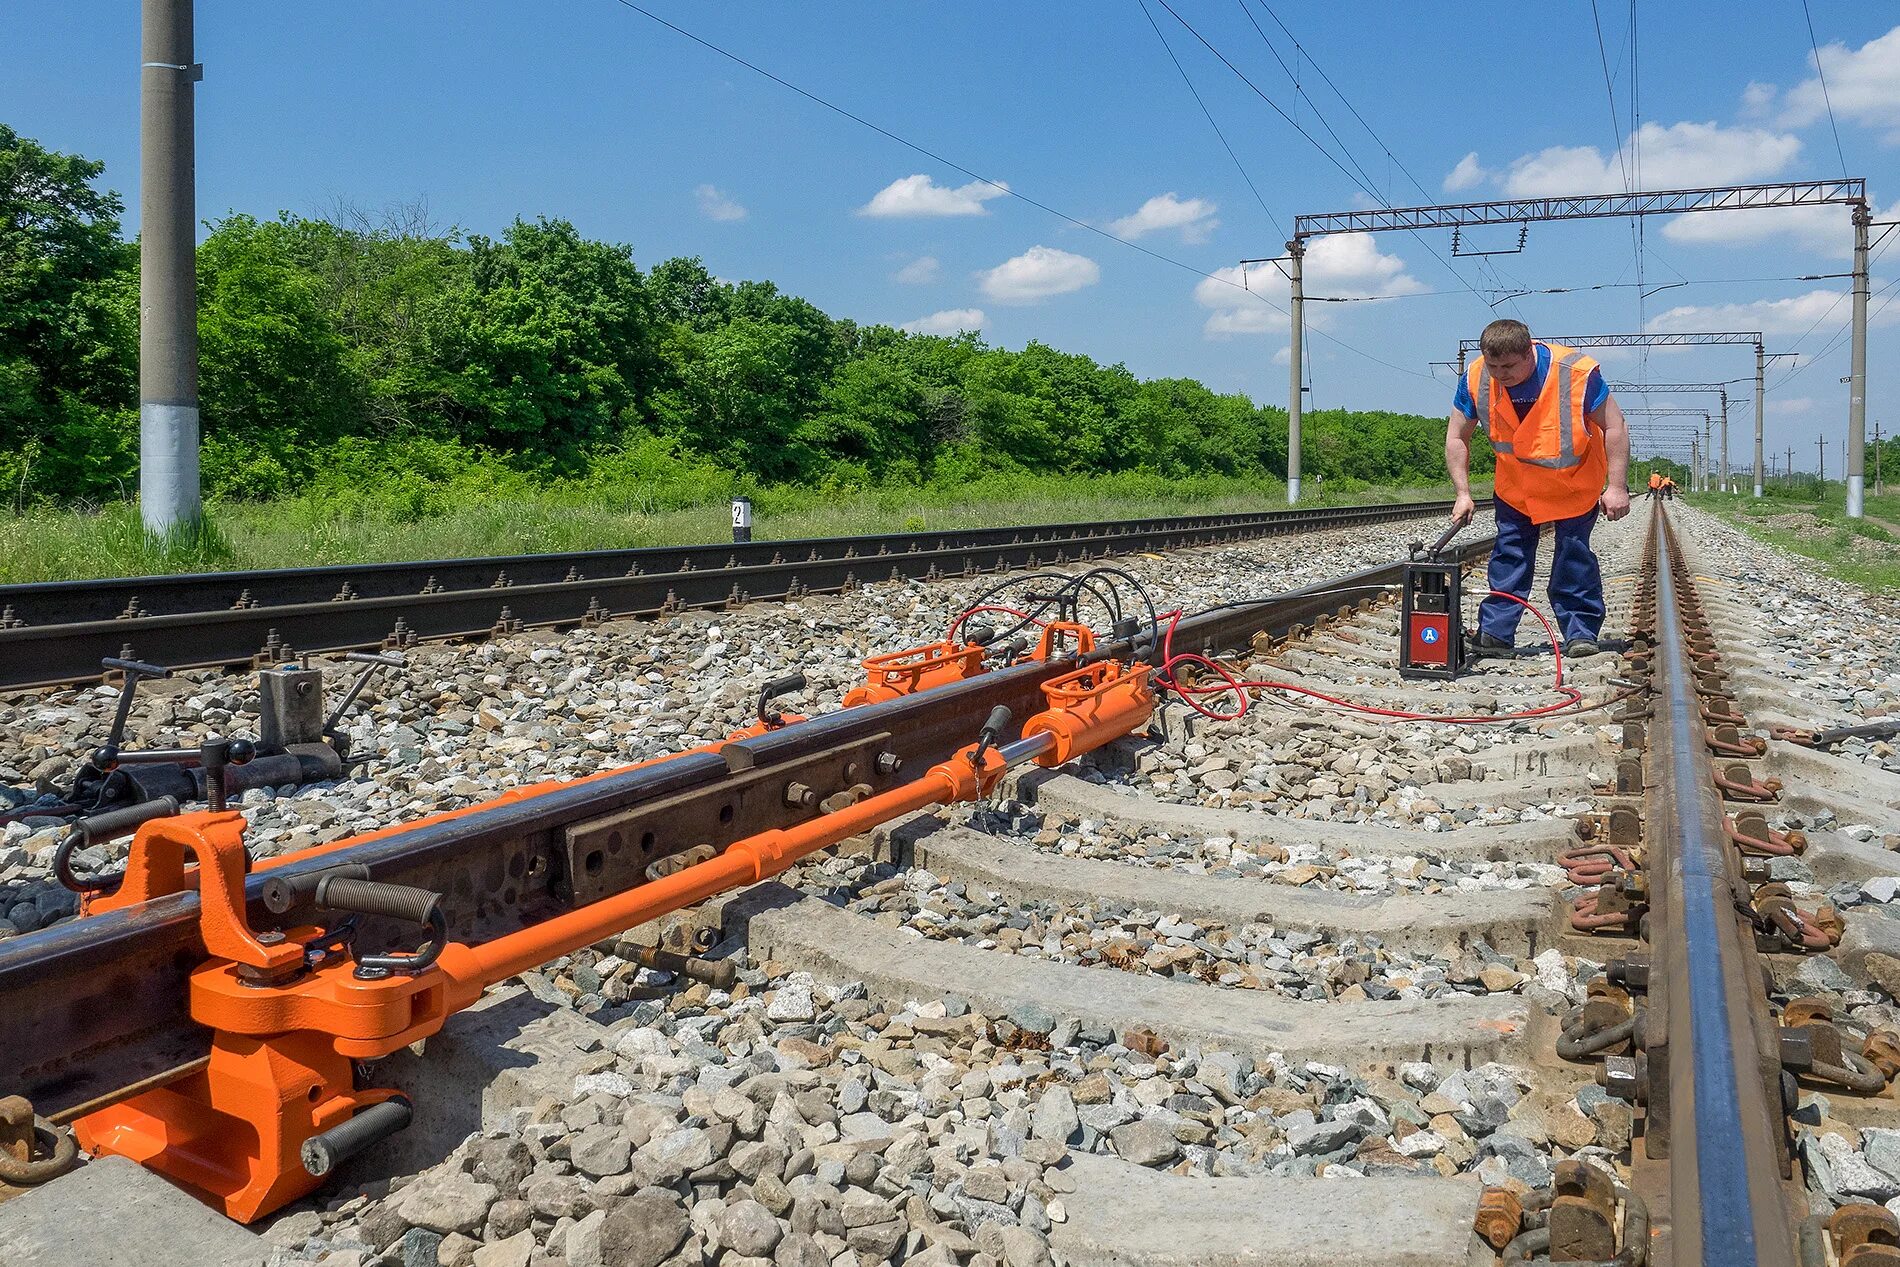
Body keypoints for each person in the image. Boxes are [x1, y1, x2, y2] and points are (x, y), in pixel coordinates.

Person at [1447, 319, 1631, 659]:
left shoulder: (1575, 373)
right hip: (1515, 488)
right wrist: (1463, 492)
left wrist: (1616, 486)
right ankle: (1496, 635)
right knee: (1509, 556)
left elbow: (1615, 425)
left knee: (1572, 558)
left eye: (1509, 366)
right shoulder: (1475, 377)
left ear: (1529, 352)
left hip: (1572, 486)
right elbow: (1458, 435)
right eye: (1493, 365)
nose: (1500, 374)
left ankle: (1580, 632)